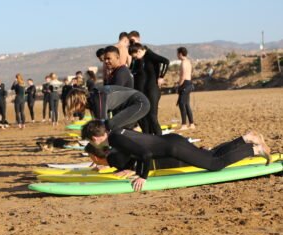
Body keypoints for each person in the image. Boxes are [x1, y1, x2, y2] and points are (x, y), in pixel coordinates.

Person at [81, 120, 272, 191]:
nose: (92, 144)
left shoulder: (115, 140)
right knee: (212, 156)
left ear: (96, 138)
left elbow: (145, 154)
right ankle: (247, 138)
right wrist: (130, 169)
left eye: (91, 141)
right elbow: (138, 153)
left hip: (174, 148)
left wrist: (142, 177)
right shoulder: (116, 131)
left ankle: (254, 150)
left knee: (215, 164)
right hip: (172, 141)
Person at [66, 85, 150, 131]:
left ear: (79, 101)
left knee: (110, 125)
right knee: (119, 130)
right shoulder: (91, 101)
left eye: (74, 106)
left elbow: (102, 126)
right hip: (129, 105)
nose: (74, 110)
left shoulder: (97, 98)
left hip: (140, 103)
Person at [129, 43, 170, 135]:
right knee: (143, 117)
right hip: (143, 90)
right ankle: (148, 137)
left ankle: (160, 139)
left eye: (135, 56)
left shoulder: (150, 55)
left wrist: (161, 76)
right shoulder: (139, 60)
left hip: (152, 90)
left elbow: (166, 61)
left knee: (152, 117)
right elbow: (132, 70)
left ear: (139, 51)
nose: (135, 58)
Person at [176, 47, 195, 130]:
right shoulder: (188, 62)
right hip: (189, 83)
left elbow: (183, 76)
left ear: (180, 54)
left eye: (177, 53)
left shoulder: (183, 63)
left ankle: (184, 124)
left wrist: (179, 86)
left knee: (182, 104)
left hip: (185, 84)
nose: (177, 55)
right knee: (186, 104)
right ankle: (191, 124)